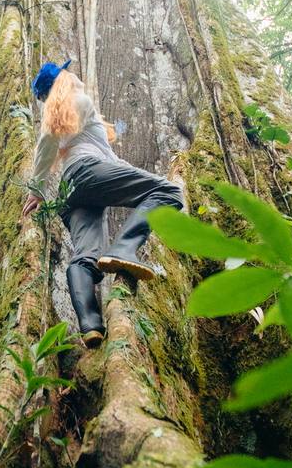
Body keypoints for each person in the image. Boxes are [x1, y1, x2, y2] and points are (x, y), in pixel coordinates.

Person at [21, 60, 184, 348]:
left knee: (85, 256)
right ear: (63, 79)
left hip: (71, 192)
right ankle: (124, 248)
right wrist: (35, 189)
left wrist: (38, 190)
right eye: (67, 72)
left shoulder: (61, 113)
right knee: (169, 192)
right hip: (88, 173)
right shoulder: (76, 100)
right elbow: (54, 145)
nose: (74, 75)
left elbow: (54, 148)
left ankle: (90, 325)